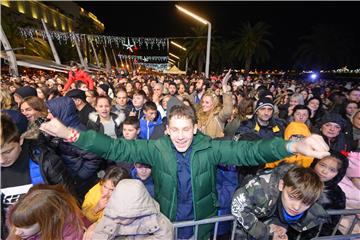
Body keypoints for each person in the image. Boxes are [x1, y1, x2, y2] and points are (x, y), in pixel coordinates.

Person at [40, 105, 330, 239]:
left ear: (195, 129)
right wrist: (70, 133)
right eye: (175, 130)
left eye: (186, 130)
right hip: (169, 227)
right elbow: (115, 149)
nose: (180, 136)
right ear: (166, 130)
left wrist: (295, 144)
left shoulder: (211, 148)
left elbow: (250, 152)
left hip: (204, 228)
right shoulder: (156, 150)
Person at [231, 165, 327, 240]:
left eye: (306, 203)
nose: (297, 207)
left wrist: (281, 226)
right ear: (282, 185)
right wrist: (267, 233)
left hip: (268, 211)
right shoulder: (259, 187)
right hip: (250, 208)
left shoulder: (313, 199)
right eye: (292, 197)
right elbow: (239, 209)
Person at [86, 179, 174, 240]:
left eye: (123, 216)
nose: (117, 219)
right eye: (116, 215)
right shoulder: (112, 218)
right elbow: (99, 235)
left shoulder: (152, 218)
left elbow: (166, 234)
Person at [7, 184, 85, 240]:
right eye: (16, 226)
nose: (17, 232)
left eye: (26, 227)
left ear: (48, 220)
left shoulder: (70, 233)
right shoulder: (18, 216)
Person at [299, 152, 349, 238]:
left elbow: (329, 225)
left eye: (332, 170)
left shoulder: (337, 195)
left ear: (339, 174)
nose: (324, 171)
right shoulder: (298, 178)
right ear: (315, 162)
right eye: (322, 165)